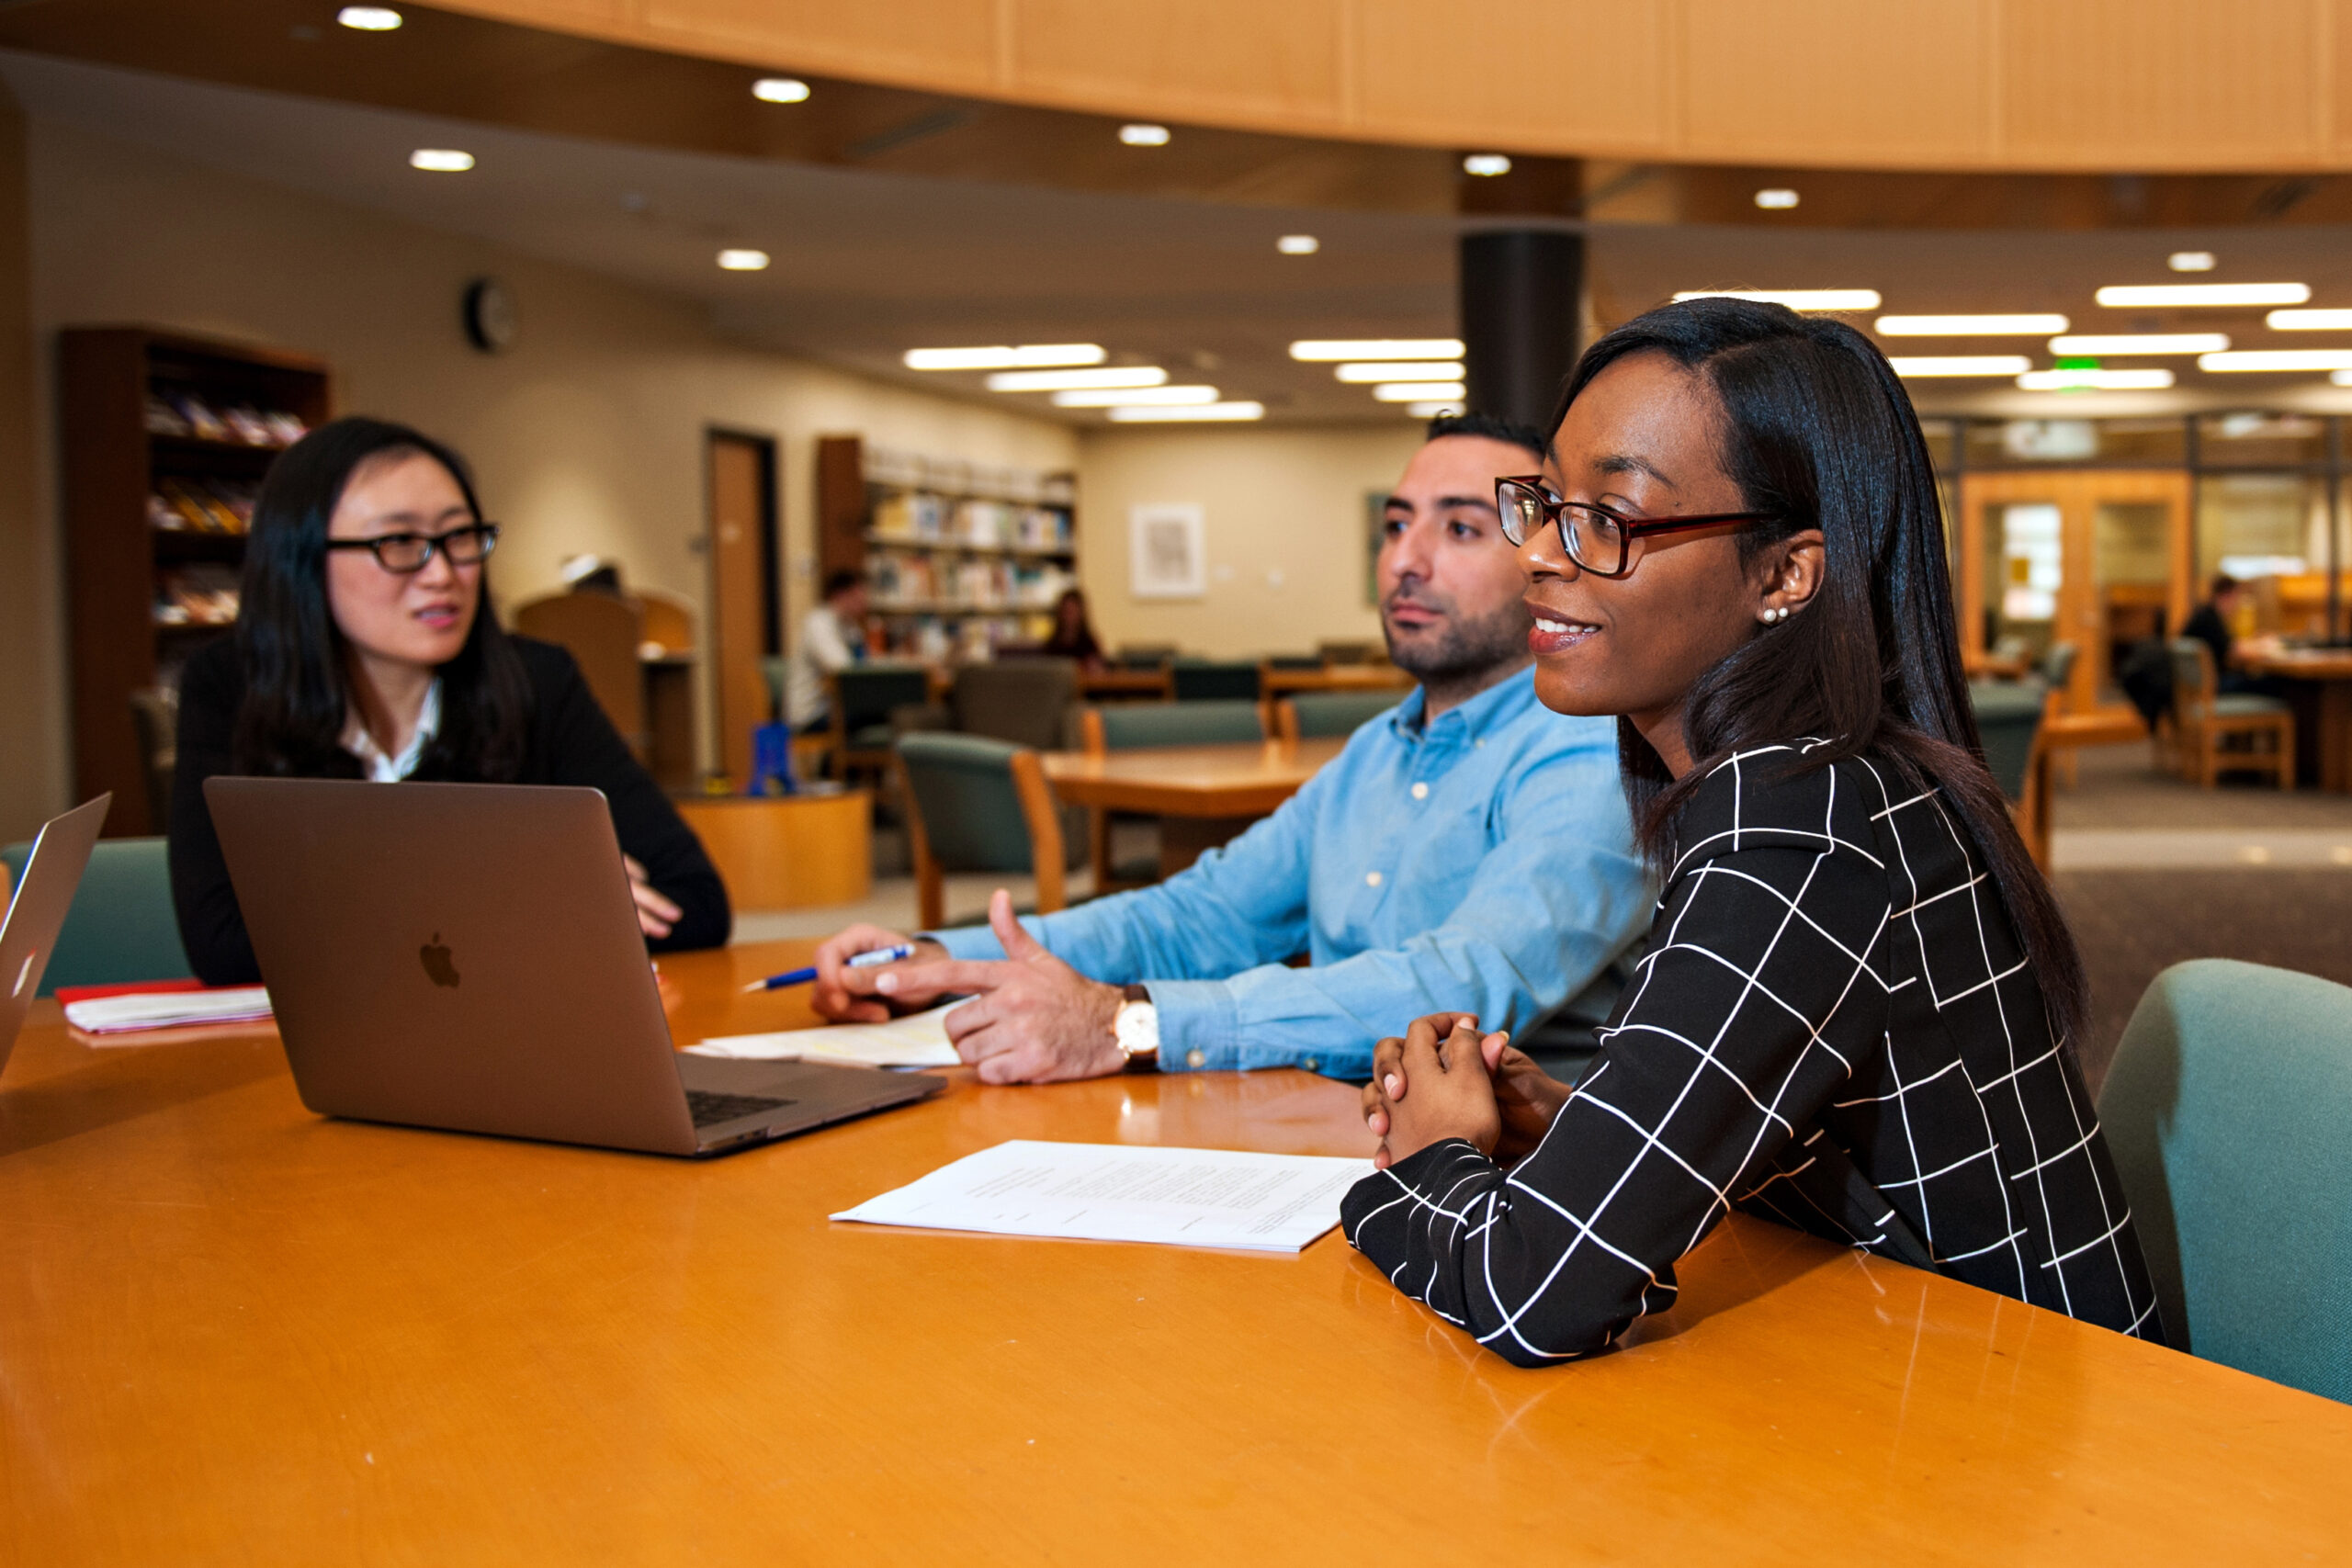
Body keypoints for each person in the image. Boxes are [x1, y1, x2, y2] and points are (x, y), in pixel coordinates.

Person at [1343, 299, 2163, 1365]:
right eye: (1544, 501)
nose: (1540, 554)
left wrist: (1427, 1162)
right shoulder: (1821, 781)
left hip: (2032, 1446)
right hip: (1927, 1368)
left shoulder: (1801, 828)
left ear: (1785, 575)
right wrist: (1586, 1126)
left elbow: (1532, 1292)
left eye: (1610, 517)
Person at [807, 412, 1652, 1083]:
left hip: (1504, 1189)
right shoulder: (1378, 751)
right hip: (1322, 1132)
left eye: (1462, 530)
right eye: (1396, 526)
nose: (1407, 560)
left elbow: (1459, 989)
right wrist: (935, 959)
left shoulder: (1588, 754)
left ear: (1548, 557)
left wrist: (1130, 1022)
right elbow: (1201, 915)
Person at [170, 416, 729, 985]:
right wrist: (526, 892)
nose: (442, 574)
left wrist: (383, 917)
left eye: (459, 538)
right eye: (399, 543)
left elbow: (695, 905)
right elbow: (224, 947)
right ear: (303, 560)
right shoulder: (233, 686)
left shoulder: (537, 680)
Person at [786, 569, 871, 729]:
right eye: (859, 595)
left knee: (891, 712)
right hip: (811, 713)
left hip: (838, 707)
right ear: (840, 595)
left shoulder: (851, 627)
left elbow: (865, 663)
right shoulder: (818, 623)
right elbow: (841, 668)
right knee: (888, 714)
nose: (864, 600)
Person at [1040, 586, 1104, 671]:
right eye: (1066, 611)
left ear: (1081, 613)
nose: (1069, 617)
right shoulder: (1051, 646)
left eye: (1073, 611)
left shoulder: (1089, 645)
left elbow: (1098, 672)